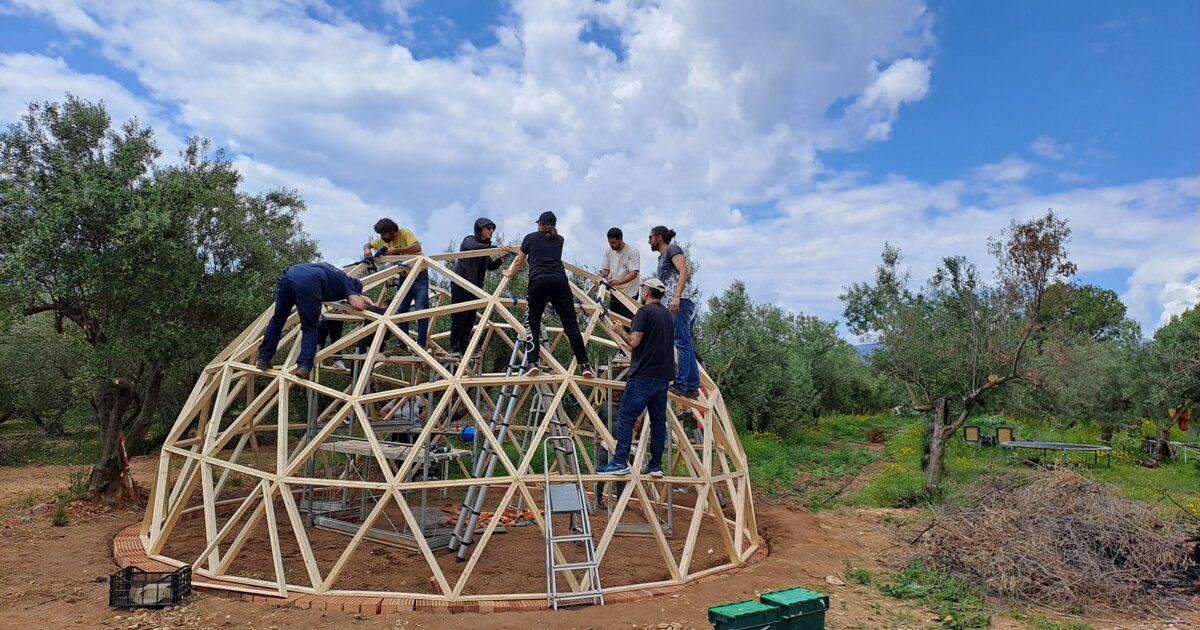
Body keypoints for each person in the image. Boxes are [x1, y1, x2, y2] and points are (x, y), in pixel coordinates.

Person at [597, 277, 675, 477]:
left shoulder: (644, 312)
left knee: (626, 416)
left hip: (643, 376)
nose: (641, 291)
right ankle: (656, 466)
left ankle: (620, 462)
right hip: (663, 377)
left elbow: (634, 341)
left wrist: (619, 330)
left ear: (647, 292)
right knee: (658, 423)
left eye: (642, 288)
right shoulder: (667, 315)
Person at [502, 211, 594, 378]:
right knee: (571, 325)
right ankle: (585, 365)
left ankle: (533, 362)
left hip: (539, 283)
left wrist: (509, 273)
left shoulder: (530, 238)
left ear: (540, 224)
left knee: (532, 322)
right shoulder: (560, 239)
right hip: (560, 283)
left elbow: (519, 261)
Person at [256, 263, 375, 380]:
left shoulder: (335, 273)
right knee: (310, 328)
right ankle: (304, 366)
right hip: (309, 283)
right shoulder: (348, 282)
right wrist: (360, 299)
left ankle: (263, 359)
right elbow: (358, 305)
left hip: (288, 275)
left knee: (277, 320)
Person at [649, 225, 700, 399]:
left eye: (651, 237)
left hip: (681, 302)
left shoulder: (673, 249)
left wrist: (676, 296)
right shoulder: (661, 258)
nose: (648, 240)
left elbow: (684, 271)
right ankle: (692, 386)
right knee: (685, 343)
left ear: (659, 237)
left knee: (681, 343)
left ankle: (681, 384)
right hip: (676, 303)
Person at [364, 218, 430, 352]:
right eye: (380, 235)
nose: (382, 238)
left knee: (421, 309)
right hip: (404, 276)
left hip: (419, 276)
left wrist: (394, 251)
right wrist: (367, 250)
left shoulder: (404, 233)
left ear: (393, 231)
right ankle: (402, 345)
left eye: (384, 234)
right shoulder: (383, 240)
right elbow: (368, 245)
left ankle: (421, 344)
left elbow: (417, 247)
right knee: (401, 310)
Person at [448, 218, 507, 357]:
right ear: (480, 229)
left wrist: (503, 258)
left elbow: (490, 266)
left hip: (475, 287)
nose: (491, 231)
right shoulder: (469, 240)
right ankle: (454, 346)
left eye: (493, 228)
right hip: (461, 283)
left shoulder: (485, 248)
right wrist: (495, 249)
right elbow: (474, 247)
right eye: (488, 228)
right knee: (459, 315)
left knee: (470, 317)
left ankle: (463, 347)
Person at [597, 227, 641, 332]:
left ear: (621, 239)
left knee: (627, 324)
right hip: (615, 292)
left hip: (629, 294)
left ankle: (628, 347)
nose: (612, 245)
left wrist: (620, 281)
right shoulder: (609, 251)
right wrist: (598, 276)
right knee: (615, 322)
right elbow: (606, 271)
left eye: (614, 242)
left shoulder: (632, 252)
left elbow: (634, 273)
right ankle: (620, 347)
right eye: (610, 242)